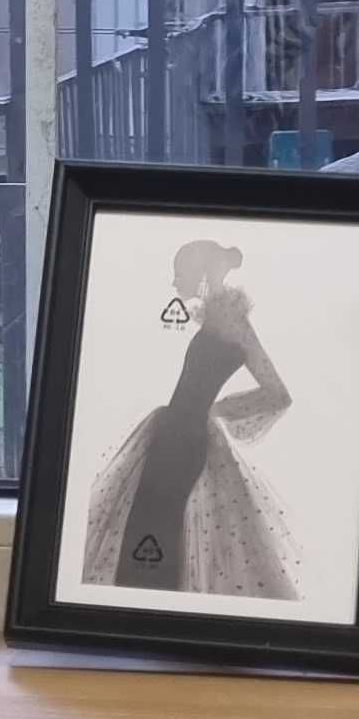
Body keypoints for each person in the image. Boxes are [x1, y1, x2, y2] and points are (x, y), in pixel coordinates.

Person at [80, 239, 300, 597]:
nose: (174, 281)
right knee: (151, 522)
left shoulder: (232, 322)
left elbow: (278, 393)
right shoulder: (218, 319)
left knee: (159, 524)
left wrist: (219, 408)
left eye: (179, 272)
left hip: (184, 441)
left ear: (201, 275)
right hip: (173, 434)